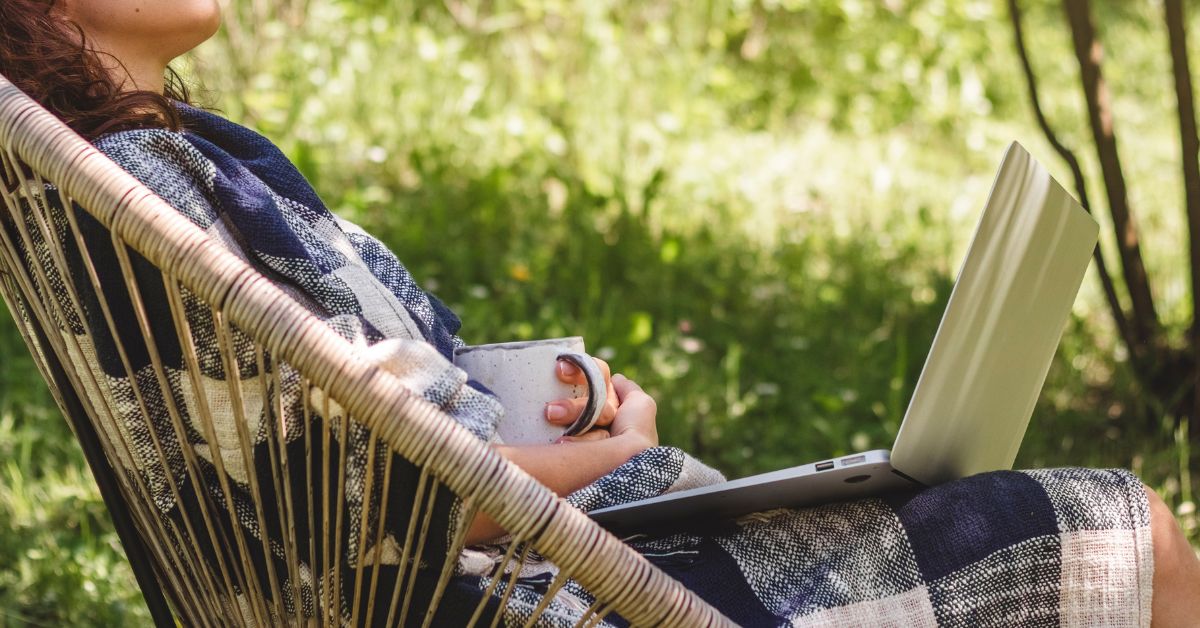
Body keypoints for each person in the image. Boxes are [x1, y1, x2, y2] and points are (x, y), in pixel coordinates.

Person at [1, 0, 1197, 625]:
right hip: (539, 597)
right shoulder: (139, 189)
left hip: (554, 552)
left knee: (1000, 500)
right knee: (1119, 529)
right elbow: (377, 487)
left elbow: (367, 414)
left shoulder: (151, 173)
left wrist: (561, 409)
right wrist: (601, 456)